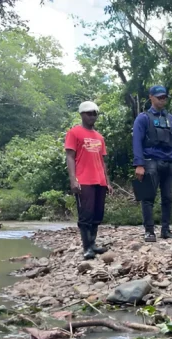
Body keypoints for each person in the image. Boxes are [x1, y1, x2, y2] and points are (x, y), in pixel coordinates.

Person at [132, 85, 172, 242]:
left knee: (168, 197)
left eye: (164, 97)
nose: (162, 100)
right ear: (151, 97)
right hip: (150, 161)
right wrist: (139, 164)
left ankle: (166, 230)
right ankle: (149, 231)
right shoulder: (143, 118)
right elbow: (137, 141)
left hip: (169, 162)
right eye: (159, 97)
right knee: (148, 197)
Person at [65, 101, 113, 260]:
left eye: (94, 114)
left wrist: (108, 182)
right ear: (82, 115)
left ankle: (93, 244)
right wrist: (73, 179)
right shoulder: (74, 133)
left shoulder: (100, 137)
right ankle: (86, 248)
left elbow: (102, 160)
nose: (92, 116)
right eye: (89, 113)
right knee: (85, 214)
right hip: (84, 179)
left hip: (100, 180)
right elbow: (70, 156)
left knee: (97, 214)